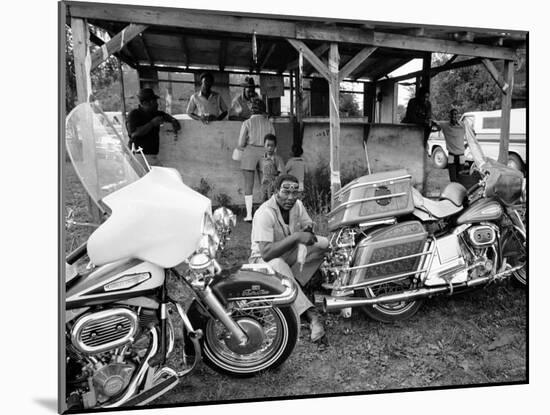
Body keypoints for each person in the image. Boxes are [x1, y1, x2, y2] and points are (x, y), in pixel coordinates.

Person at [249, 174, 329, 342]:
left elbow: (308, 226)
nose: (290, 197)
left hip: (288, 253)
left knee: (324, 244)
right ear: (276, 191)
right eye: (285, 192)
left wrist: (307, 231)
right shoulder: (264, 213)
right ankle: (311, 315)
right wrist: (296, 237)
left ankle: (295, 282)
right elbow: (266, 253)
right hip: (263, 262)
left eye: (295, 192)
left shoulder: (297, 206)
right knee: (277, 263)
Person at [236, 98, 275, 221]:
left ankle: (249, 215)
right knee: (266, 184)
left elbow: (241, 143)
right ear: (263, 109)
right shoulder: (269, 123)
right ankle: (267, 214)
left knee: (249, 185)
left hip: (249, 153)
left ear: (251, 109)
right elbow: (273, 142)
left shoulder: (247, 123)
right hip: (265, 153)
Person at [126, 87, 181, 167]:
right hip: (139, 155)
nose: (157, 104)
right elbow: (134, 133)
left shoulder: (154, 113)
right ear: (145, 103)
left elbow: (164, 115)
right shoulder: (134, 114)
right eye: (154, 101)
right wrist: (152, 123)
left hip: (151, 156)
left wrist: (173, 120)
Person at [433, 108, 465, 182]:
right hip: (451, 156)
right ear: (449, 116)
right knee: (453, 179)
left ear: (458, 116)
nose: (454, 116)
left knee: (461, 178)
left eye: (456, 114)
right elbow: (434, 123)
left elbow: (472, 135)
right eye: (452, 114)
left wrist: (466, 146)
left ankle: (460, 192)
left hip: (461, 156)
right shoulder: (445, 125)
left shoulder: (462, 125)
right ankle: (453, 191)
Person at [260, 134, 285, 201]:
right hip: (264, 185)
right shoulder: (262, 159)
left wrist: (275, 182)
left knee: (272, 203)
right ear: (264, 145)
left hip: (273, 186)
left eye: (272, 146)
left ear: (275, 147)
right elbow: (261, 172)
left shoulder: (277, 159)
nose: (270, 148)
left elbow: (282, 174)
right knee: (264, 203)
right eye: (268, 145)